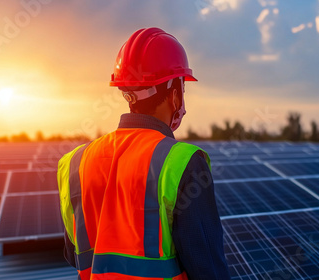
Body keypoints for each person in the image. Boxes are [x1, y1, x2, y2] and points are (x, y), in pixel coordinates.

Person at [57, 27, 230, 280]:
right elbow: (208, 269)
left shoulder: (73, 164)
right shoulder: (184, 163)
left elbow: (75, 254)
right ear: (174, 95)